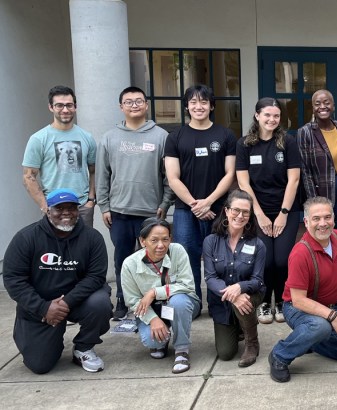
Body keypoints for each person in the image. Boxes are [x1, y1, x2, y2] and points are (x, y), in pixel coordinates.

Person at [3, 189, 111, 374]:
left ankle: (83, 347)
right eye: (59, 208)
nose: (66, 212)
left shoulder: (92, 238)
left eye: (71, 207)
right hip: (40, 306)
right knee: (39, 365)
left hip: (77, 301)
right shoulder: (26, 238)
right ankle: (47, 339)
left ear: (78, 210)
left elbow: (96, 277)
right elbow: (14, 280)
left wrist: (64, 303)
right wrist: (43, 308)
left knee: (100, 303)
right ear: (48, 210)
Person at [268, 197, 337, 383]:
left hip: (333, 306)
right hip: (298, 308)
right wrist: (332, 316)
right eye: (316, 218)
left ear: (333, 218)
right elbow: (298, 300)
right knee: (320, 326)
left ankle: (309, 342)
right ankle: (280, 355)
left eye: (327, 217)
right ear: (306, 222)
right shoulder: (300, 253)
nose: (323, 224)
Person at [96, 86, 174, 321]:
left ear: (146, 104)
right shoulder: (110, 137)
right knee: (122, 259)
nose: (134, 105)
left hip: (151, 212)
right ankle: (123, 298)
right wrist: (104, 206)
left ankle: (155, 298)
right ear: (121, 107)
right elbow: (103, 175)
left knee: (155, 259)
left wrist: (165, 203)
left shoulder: (161, 136)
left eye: (138, 101)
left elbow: (168, 176)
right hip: (119, 211)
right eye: (128, 102)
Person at [165, 84, 237, 306]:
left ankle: (220, 303)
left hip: (218, 208)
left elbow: (230, 173)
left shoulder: (225, 135)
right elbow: (173, 177)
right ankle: (192, 302)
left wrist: (209, 202)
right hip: (185, 211)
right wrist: (195, 205)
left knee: (221, 258)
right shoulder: (175, 137)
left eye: (204, 102)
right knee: (187, 258)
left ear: (211, 106)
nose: (199, 106)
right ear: (187, 106)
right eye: (193, 102)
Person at [235, 97, 302, 325]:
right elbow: (244, 183)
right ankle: (264, 302)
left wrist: (283, 213)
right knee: (265, 260)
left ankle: (283, 300)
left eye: (276, 116)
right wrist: (259, 214)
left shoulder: (288, 142)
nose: (272, 119)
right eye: (267, 115)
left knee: (282, 260)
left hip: (287, 209)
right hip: (257, 210)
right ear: (257, 116)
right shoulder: (244, 144)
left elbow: (293, 180)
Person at [121, 217, 201, 374]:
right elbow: (132, 301)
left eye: (165, 239)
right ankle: (162, 338)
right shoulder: (130, 264)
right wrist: (153, 319)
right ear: (142, 241)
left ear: (170, 238)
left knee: (178, 302)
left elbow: (187, 285)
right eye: (154, 240)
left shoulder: (177, 251)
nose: (161, 245)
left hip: (183, 303)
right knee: (153, 341)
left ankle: (181, 350)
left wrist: (154, 292)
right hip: (151, 310)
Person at [203, 190, 267, 367]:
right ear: (226, 211)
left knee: (243, 303)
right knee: (225, 353)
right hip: (222, 300)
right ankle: (239, 327)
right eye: (236, 210)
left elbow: (258, 280)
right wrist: (233, 294)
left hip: (251, 293)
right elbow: (210, 277)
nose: (240, 216)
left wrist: (240, 287)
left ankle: (252, 343)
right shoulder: (211, 241)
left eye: (246, 212)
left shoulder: (257, 244)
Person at [22, 85, 97, 227]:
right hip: (53, 207)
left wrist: (91, 200)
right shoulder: (39, 139)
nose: (65, 110)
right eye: (59, 105)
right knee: (54, 249)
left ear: (75, 106)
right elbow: (28, 176)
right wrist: (45, 206)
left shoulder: (87, 137)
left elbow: (94, 170)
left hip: (82, 207)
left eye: (69, 105)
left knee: (83, 248)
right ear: (51, 107)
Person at [298, 89, 337, 237]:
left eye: (326, 102)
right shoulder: (305, 132)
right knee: (322, 231)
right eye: (317, 104)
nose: (322, 106)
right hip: (321, 188)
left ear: (333, 106)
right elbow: (305, 171)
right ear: (313, 108)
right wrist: (314, 201)